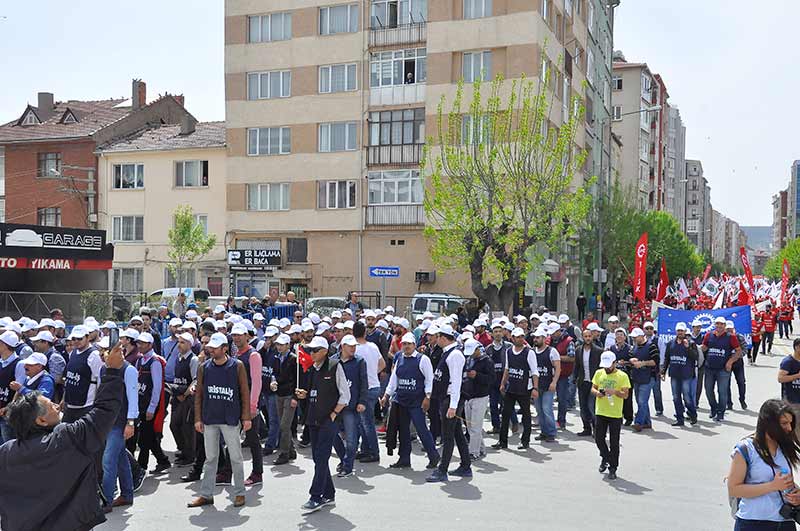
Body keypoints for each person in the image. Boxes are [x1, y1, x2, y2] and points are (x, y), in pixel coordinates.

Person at [0, 343, 126, 530]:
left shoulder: (6, 452)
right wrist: (113, 372)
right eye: (50, 406)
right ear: (41, 421)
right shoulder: (66, 439)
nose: (56, 406)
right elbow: (105, 411)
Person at [188, 332, 251, 509]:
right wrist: (198, 418)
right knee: (211, 458)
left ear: (225, 348)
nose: (211, 350)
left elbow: (244, 392)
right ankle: (206, 494)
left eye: (215, 348)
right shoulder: (204, 367)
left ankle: (239, 493)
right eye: (210, 348)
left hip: (230, 419)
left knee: (236, 457)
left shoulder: (237, 366)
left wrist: (246, 417)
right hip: (209, 419)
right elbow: (199, 394)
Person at [296, 336, 350, 513]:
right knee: (318, 459)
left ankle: (316, 496)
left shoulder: (335, 367)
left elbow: (345, 395)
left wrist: (334, 414)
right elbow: (314, 391)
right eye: (310, 350)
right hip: (313, 420)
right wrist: (304, 394)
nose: (311, 353)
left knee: (321, 458)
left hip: (328, 421)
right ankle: (329, 493)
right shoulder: (312, 369)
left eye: (315, 350)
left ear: (325, 351)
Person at [727, 399, 800, 530]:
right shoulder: (746, 449)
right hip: (753, 523)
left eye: (790, 423)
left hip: (785, 521)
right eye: (784, 423)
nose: (789, 428)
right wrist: (772, 486)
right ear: (768, 424)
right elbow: (734, 489)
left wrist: (797, 493)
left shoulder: (785, 446)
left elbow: (786, 482)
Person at [381, 332, 440, 469]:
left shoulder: (422, 359)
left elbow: (429, 379)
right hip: (402, 401)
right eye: (404, 344)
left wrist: (428, 397)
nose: (406, 346)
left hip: (417, 401)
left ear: (414, 345)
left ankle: (433, 455)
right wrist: (386, 395)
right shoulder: (399, 358)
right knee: (403, 431)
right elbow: (394, 379)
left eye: (409, 344)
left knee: (421, 429)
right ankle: (404, 458)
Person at [427, 324, 472, 482]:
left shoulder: (455, 355)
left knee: (448, 436)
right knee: (457, 433)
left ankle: (442, 470)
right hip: (447, 398)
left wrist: (453, 405)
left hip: (451, 399)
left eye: (438, 336)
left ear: (444, 338)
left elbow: (457, 382)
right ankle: (466, 466)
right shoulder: (448, 353)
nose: (436, 339)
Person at [101, 343, 140, 513]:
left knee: (108, 461)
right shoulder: (104, 369)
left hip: (120, 422)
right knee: (121, 458)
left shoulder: (129, 370)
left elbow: (133, 398)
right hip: (107, 421)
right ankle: (127, 494)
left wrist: (130, 423)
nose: (105, 354)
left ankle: (107, 500)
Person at [493, 327, 539, 450]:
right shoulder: (508, 351)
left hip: (524, 389)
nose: (521, 339)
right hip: (511, 388)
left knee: (526, 415)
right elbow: (507, 369)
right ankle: (502, 442)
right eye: (518, 337)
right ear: (512, 338)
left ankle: (525, 441)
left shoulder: (529, 352)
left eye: (522, 336)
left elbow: (535, 372)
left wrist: (535, 388)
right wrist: (502, 383)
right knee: (506, 414)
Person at [230, 323, 264, 486]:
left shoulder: (253, 355)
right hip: (236, 403)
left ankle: (257, 473)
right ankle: (226, 472)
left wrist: (252, 407)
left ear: (247, 336)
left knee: (253, 440)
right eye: (234, 335)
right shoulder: (236, 354)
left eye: (239, 335)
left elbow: (257, 383)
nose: (236, 338)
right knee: (231, 439)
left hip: (249, 405)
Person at [132, 332, 170, 474]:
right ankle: (163, 460)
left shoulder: (154, 362)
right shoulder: (139, 360)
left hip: (149, 405)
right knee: (149, 436)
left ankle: (142, 467)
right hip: (140, 403)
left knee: (144, 439)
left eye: (142, 343)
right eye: (138, 343)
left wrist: (152, 408)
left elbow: (157, 387)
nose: (139, 345)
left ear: (150, 344)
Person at [332, 334, 367, 478]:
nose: (353, 348)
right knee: (333, 435)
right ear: (342, 346)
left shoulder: (359, 361)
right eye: (350, 346)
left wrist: (362, 401)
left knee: (352, 439)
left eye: (354, 346)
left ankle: (347, 466)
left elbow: (364, 383)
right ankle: (344, 459)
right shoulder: (333, 361)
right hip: (335, 405)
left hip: (351, 406)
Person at [591, 351, 631, 481]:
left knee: (614, 442)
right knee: (598, 438)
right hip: (600, 411)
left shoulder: (622, 376)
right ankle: (605, 457)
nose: (607, 368)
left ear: (615, 363)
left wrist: (614, 392)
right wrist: (597, 393)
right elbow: (593, 388)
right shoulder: (599, 373)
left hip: (615, 414)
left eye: (609, 365)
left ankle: (613, 468)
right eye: (605, 366)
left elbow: (626, 395)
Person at [701, 316, 743, 422]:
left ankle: (721, 412)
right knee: (708, 390)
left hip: (723, 369)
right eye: (717, 324)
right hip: (709, 368)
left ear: (724, 326)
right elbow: (704, 348)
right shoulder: (708, 335)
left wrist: (730, 362)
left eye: (721, 324)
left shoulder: (731, 337)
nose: (719, 326)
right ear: (715, 325)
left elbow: (738, 351)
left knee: (722, 391)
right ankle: (714, 408)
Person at [354, 321, 385, 464]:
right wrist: (373, 372)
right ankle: (366, 450)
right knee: (364, 422)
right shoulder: (372, 346)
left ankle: (373, 452)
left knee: (366, 423)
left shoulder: (355, 349)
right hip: (374, 386)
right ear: (365, 332)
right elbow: (382, 364)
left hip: (365, 389)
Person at [62, 325, 104, 422]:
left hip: (85, 406)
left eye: (79, 338)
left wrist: (97, 406)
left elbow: (100, 381)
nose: (76, 341)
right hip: (70, 405)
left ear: (88, 337)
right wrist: (64, 399)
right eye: (74, 338)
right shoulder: (72, 353)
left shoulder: (94, 355)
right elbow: (68, 379)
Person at [168, 332, 199, 467]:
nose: (179, 345)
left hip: (187, 399)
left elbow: (195, 381)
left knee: (187, 428)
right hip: (177, 398)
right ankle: (183, 450)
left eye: (182, 342)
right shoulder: (178, 358)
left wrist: (185, 395)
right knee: (174, 425)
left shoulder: (193, 360)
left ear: (190, 344)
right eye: (178, 342)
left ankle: (190, 455)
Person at [461, 337, 493, 459]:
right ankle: (481, 449)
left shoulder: (487, 361)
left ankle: (473, 452)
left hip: (481, 396)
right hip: (468, 396)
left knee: (475, 426)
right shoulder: (468, 360)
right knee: (470, 426)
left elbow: (491, 379)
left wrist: (477, 375)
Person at [663, 323, 699, 426]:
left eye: (682, 331)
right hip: (674, 374)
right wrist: (663, 371)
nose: (680, 333)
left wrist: (688, 348)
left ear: (685, 332)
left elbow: (695, 357)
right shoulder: (670, 343)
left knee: (687, 397)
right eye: (678, 331)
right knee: (675, 397)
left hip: (686, 375)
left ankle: (693, 415)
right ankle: (680, 418)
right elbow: (667, 358)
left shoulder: (691, 343)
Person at [273, 333, 298, 465]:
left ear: (288, 345)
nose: (279, 347)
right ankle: (291, 449)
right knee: (284, 424)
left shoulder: (293, 359)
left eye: (282, 344)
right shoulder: (277, 358)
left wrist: (295, 397)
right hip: (279, 393)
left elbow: (297, 379)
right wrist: (273, 381)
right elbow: (275, 373)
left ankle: (284, 452)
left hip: (289, 394)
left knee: (284, 424)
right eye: (278, 344)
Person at [531, 327, 560, 442]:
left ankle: (551, 432)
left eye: (538, 337)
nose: (535, 339)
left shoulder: (552, 351)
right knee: (539, 410)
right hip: (537, 386)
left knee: (546, 409)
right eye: (535, 337)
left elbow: (558, 368)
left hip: (548, 386)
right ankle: (543, 432)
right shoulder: (532, 352)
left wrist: (554, 382)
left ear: (544, 338)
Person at [629, 327, 659, 432]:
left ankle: (638, 422)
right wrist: (631, 360)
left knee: (642, 400)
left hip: (649, 377)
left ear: (641, 336)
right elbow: (630, 357)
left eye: (635, 337)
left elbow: (655, 361)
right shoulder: (634, 347)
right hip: (637, 377)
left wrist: (643, 363)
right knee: (640, 401)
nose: (634, 339)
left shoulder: (652, 346)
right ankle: (647, 422)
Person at [574, 328, 603, 437]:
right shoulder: (578, 350)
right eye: (585, 336)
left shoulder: (598, 350)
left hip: (594, 383)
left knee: (592, 407)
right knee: (583, 407)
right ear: (582, 337)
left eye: (589, 336)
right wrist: (575, 378)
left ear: (592, 337)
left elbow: (601, 368)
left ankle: (596, 429)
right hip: (582, 382)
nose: (587, 338)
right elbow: (576, 366)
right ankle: (586, 428)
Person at [551, 324, 575, 430]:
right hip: (550, 374)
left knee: (562, 398)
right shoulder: (550, 340)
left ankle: (561, 421)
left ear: (558, 331)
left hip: (563, 374)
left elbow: (571, 358)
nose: (551, 335)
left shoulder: (569, 341)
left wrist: (556, 358)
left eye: (553, 333)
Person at [609, 328, 634, 425]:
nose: (619, 336)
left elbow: (633, 362)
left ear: (625, 337)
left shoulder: (629, 348)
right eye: (617, 334)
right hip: (614, 377)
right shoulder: (612, 348)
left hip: (626, 376)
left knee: (627, 398)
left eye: (621, 335)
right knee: (615, 397)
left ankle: (628, 417)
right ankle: (617, 416)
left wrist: (626, 363)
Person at [726, 321, 748, 411]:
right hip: (727, 362)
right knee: (726, 383)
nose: (729, 331)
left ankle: (742, 400)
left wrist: (737, 356)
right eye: (727, 329)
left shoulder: (739, 337)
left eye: (730, 329)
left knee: (741, 382)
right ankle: (729, 403)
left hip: (738, 362)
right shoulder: (724, 338)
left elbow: (745, 349)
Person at [778, 338, 800, 404]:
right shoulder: (788, 362)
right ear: (796, 347)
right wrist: (798, 375)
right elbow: (780, 378)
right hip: (791, 401)